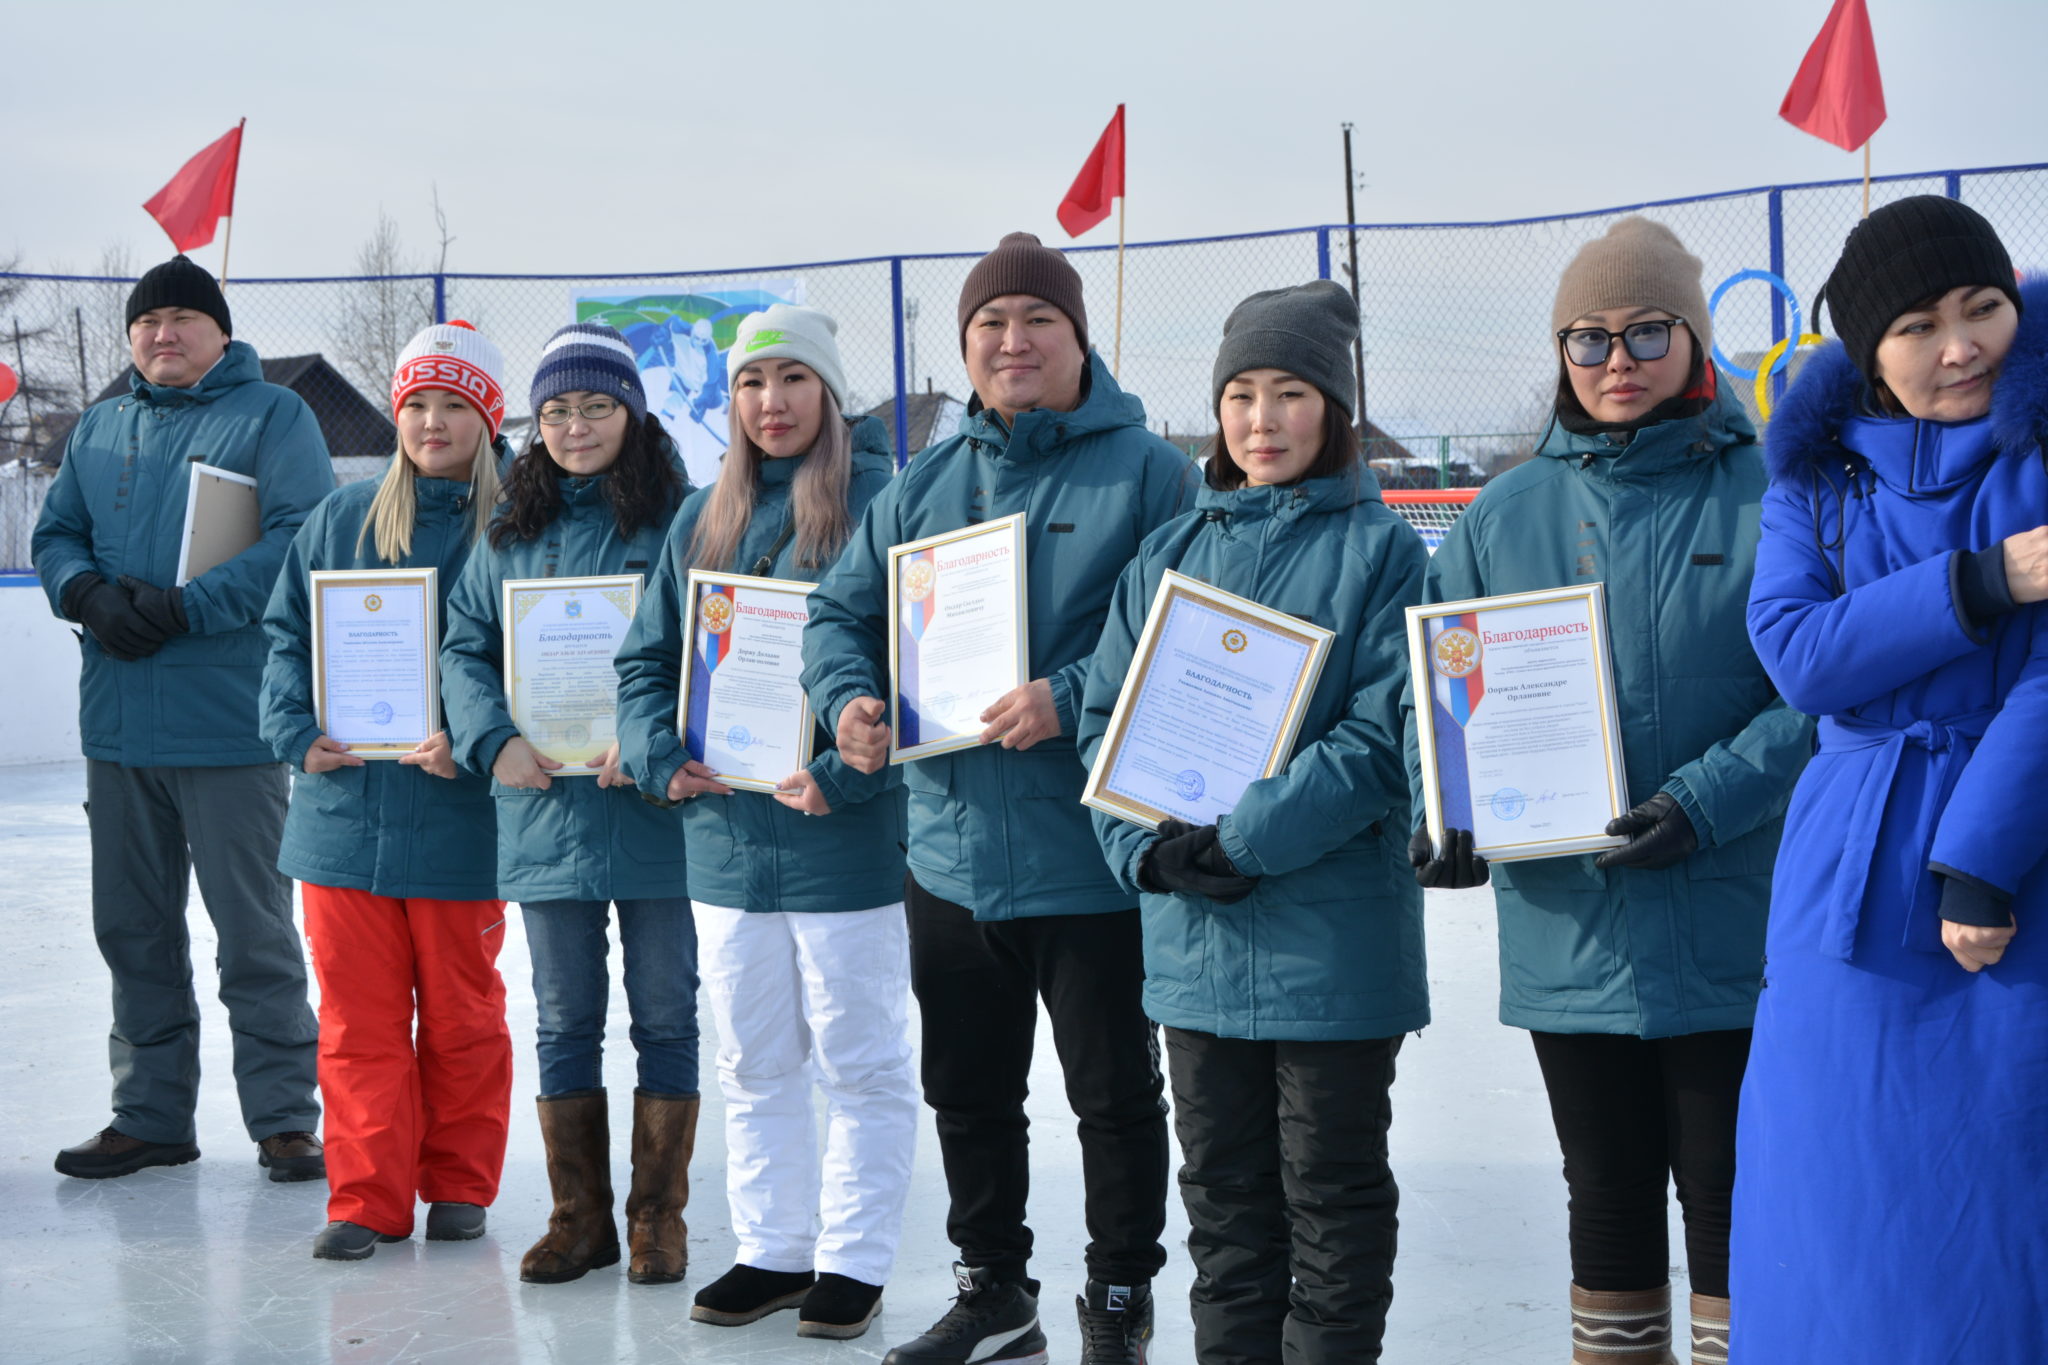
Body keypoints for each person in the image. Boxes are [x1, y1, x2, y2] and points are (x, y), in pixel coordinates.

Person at [1410, 218, 1810, 1365]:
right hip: (1570, 926)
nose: (1615, 359)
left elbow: (1817, 690)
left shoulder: (1768, 491)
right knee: (1608, 1195)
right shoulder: (1503, 513)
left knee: (1732, 1199)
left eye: (1644, 332)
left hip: (1730, 911)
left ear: (1692, 341)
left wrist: (1705, 801)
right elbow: (1432, 689)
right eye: (1586, 339)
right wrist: (1441, 812)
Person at [802, 232, 1199, 1365]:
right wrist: (848, 704)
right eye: (990, 325)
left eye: (1037, 322)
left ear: (1078, 339)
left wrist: (1070, 696)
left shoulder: (1149, 475)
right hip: (950, 853)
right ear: (965, 347)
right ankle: (994, 1292)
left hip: (1090, 858)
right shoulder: (922, 483)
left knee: (1113, 1096)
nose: (1012, 342)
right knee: (968, 1092)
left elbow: (1176, 639)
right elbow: (837, 619)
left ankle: (1118, 1296)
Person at [1078, 281, 1428, 1363]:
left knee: (1328, 1198)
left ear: (1331, 408)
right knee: (1224, 1209)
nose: (1260, 420)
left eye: (1288, 393)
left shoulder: (1384, 554)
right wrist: (1144, 848)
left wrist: (1243, 838)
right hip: (1193, 945)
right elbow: (1103, 722)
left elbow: (1378, 740)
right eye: (1239, 394)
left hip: (1332, 946)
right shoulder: (1168, 554)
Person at [1733, 196, 2048, 1362]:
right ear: (1866, 349)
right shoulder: (1812, 481)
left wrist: (1977, 857)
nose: (1958, 345)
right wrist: (1980, 586)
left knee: (2002, 1189)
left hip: (2011, 866)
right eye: (1917, 325)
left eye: (1981, 308)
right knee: (1834, 1189)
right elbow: (1799, 654)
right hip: (1844, 871)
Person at [615, 304, 916, 1342]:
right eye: (751, 383)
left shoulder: (883, 502)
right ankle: (775, 1249)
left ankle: (852, 1259)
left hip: (842, 843)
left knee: (859, 1057)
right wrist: (660, 758)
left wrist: (848, 774)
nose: (770, 402)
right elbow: (645, 664)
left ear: (829, 393)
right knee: (750, 1058)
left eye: (792, 380)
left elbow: (914, 671)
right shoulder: (702, 517)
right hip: (728, 846)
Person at [32, 255, 335, 1183]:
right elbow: (54, 533)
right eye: (147, 321)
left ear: (219, 330)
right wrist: (84, 592)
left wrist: (183, 607)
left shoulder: (275, 415)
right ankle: (151, 1112)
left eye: (182, 319)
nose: (164, 334)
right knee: (132, 929)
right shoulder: (100, 425)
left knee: (253, 932)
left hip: (228, 725)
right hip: (119, 728)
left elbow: (302, 536)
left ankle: (285, 1118)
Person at [439, 322, 697, 1286]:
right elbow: (463, 649)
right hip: (545, 814)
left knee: (667, 1011)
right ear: (533, 423)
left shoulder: (678, 520)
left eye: (595, 406)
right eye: (556, 410)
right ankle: (578, 1215)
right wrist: (493, 740)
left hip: (655, 814)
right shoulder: (510, 532)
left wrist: (655, 738)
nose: (576, 426)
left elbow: (699, 646)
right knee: (562, 1018)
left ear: (632, 414)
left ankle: (657, 1219)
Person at [259, 321, 515, 1260]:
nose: (432, 422)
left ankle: (457, 1181)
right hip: (341, 818)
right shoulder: (341, 517)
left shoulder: (516, 525)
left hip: (461, 815)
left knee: (461, 1012)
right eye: (416, 404)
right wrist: (295, 730)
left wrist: (483, 739)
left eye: (454, 404)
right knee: (358, 1019)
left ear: (487, 418)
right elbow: (287, 635)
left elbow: (528, 659)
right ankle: (365, 1196)